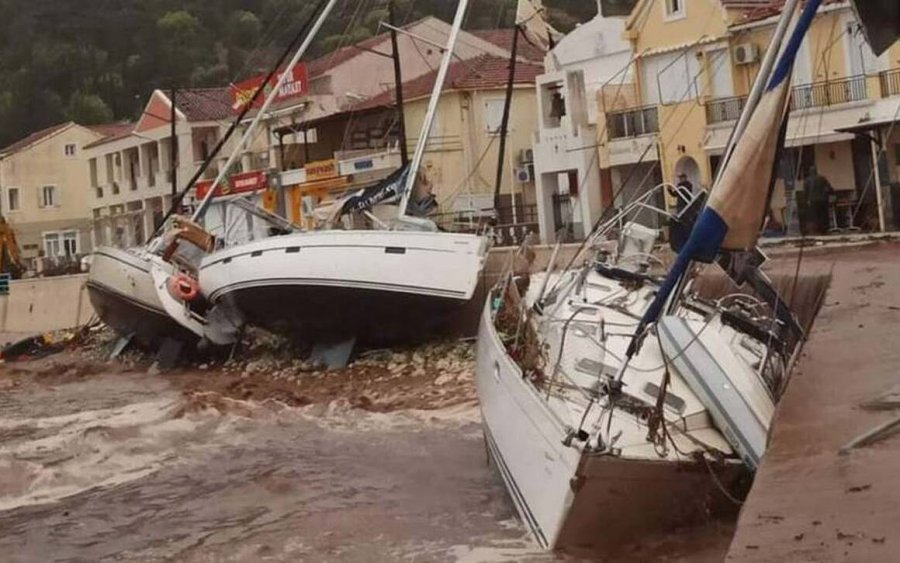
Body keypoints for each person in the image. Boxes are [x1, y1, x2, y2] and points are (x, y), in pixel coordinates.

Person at [802, 166, 833, 234]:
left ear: (810, 172)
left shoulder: (807, 180)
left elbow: (805, 192)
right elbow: (830, 188)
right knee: (824, 215)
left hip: (813, 200)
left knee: (815, 216)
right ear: (816, 171)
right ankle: (825, 230)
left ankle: (817, 230)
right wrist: (827, 194)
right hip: (823, 200)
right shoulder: (822, 178)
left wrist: (806, 200)